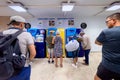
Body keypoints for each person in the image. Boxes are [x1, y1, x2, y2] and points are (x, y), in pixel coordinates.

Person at [3, 15, 36, 80]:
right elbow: (33, 52)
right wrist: (28, 61)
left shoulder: (3, 33)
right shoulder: (26, 34)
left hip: (5, 66)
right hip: (22, 65)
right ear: (21, 24)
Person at [94, 13, 120, 80]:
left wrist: (107, 43)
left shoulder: (106, 32)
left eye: (107, 22)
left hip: (108, 66)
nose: (106, 23)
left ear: (114, 20)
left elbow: (97, 42)